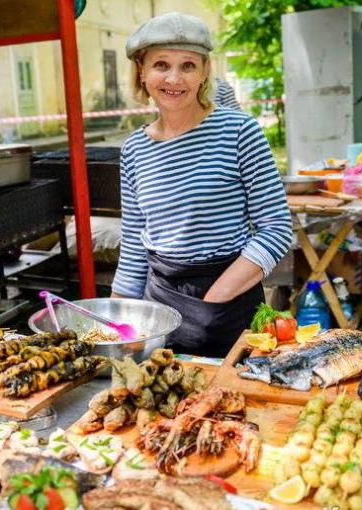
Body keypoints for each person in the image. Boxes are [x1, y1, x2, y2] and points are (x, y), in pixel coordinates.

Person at [112, 12, 292, 358]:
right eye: (161, 64)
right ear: (142, 71)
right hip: (160, 304)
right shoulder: (134, 149)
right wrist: (118, 318)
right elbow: (135, 242)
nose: (174, 78)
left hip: (228, 302)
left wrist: (215, 298)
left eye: (188, 66)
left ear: (205, 71)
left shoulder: (239, 132)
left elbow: (277, 228)